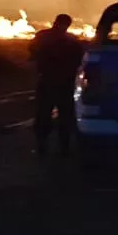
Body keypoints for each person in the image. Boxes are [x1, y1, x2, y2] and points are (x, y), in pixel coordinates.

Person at [29, 14, 86, 156]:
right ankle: (63, 147)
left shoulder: (42, 36)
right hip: (65, 83)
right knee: (65, 115)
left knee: (44, 113)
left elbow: (32, 53)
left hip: (48, 81)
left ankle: (43, 146)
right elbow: (80, 60)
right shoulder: (72, 40)